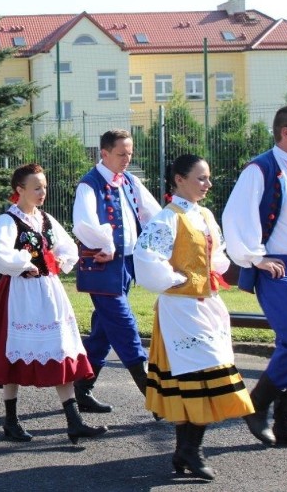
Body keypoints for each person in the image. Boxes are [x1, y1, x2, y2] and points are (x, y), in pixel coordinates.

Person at [134, 154, 253, 479]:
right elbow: (145, 257)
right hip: (180, 310)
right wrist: (173, 279)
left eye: (208, 178)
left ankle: (185, 449)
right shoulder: (167, 218)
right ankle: (190, 450)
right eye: (201, 178)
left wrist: (212, 273)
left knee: (204, 376)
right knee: (195, 378)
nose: (208, 184)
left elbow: (217, 258)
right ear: (179, 180)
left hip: (206, 305)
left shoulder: (203, 215)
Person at [0, 164, 107, 444]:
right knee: (15, 354)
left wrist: (61, 257)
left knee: (59, 349)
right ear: (19, 190)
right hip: (21, 293)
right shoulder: (9, 220)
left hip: (48, 292)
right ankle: (10, 421)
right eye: (36, 187)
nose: (42, 192)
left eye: (44, 186)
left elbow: (66, 245)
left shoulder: (44, 218)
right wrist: (23, 263)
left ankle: (74, 422)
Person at [222, 104, 287, 448]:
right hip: (278, 267)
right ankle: (257, 406)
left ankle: (286, 421)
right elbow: (235, 215)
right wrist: (255, 257)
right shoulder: (261, 168)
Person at [72, 129, 162, 412]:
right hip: (101, 267)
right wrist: (107, 243)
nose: (127, 158)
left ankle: (81, 389)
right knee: (125, 325)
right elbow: (84, 224)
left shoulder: (130, 181)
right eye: (122, 154)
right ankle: (152, 395)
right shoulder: (90, 184)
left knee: (103, 330)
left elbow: (153, 214)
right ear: (105, 153)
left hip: (125, 266)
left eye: (130, 153)